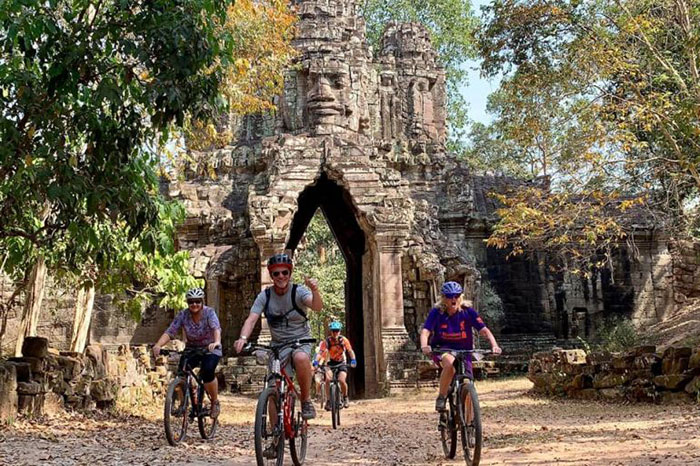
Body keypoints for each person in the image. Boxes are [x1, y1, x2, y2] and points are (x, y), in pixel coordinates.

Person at [234, 253, 323, 421]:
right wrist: (243, 338)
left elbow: (317, 307)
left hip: (300, 340)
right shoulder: (265, 296)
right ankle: (274, 436)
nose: (281, 276)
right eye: (276, 273)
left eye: (284, 273)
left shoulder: (299, 291)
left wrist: (315, 290)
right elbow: (252, 318)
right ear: (271, 275)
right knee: (274, 387)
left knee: (301, 357)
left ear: (289, 274)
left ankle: (305, 400)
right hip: (278, 345)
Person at [419, 281, 502, 412]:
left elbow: (484, 330)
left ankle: (470, 424)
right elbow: (426, 331)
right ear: (443, 298)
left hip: (464, 350)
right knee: (449, 363)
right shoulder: (437, 312)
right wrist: (425, 345)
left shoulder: (468, 312)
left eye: (456, 296)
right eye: (449, 296)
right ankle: (442, 396)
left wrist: (494, 345)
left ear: (461, 297)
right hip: (443, 348)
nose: (453, 299)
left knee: (468, 383)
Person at [153, 287, 222, 419]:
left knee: (207, 371)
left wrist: (216, 342)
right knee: (182, 372)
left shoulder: (209, 313)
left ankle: (214, 401)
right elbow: (170, 331)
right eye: (191, 302)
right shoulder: (183, 315)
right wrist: (158, 345)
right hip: (192, 348)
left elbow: (216, 328)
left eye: (197, 301)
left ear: (202, 302)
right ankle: (183, 403)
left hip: (210, 348)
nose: (194, 305)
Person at [313, 321, 356, 409]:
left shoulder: (343, 340)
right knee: (328, 379)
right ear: (331, 331)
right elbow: (320, 352)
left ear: (340, 331)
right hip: (331, 362)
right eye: (333, 331)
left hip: (341, 363)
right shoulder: (327, 341)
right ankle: (328, 400)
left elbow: (350, 350)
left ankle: (345, 397)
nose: (335, 333)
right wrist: (316, 361)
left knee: (341, 380)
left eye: (337, 331)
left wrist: (353, 360)